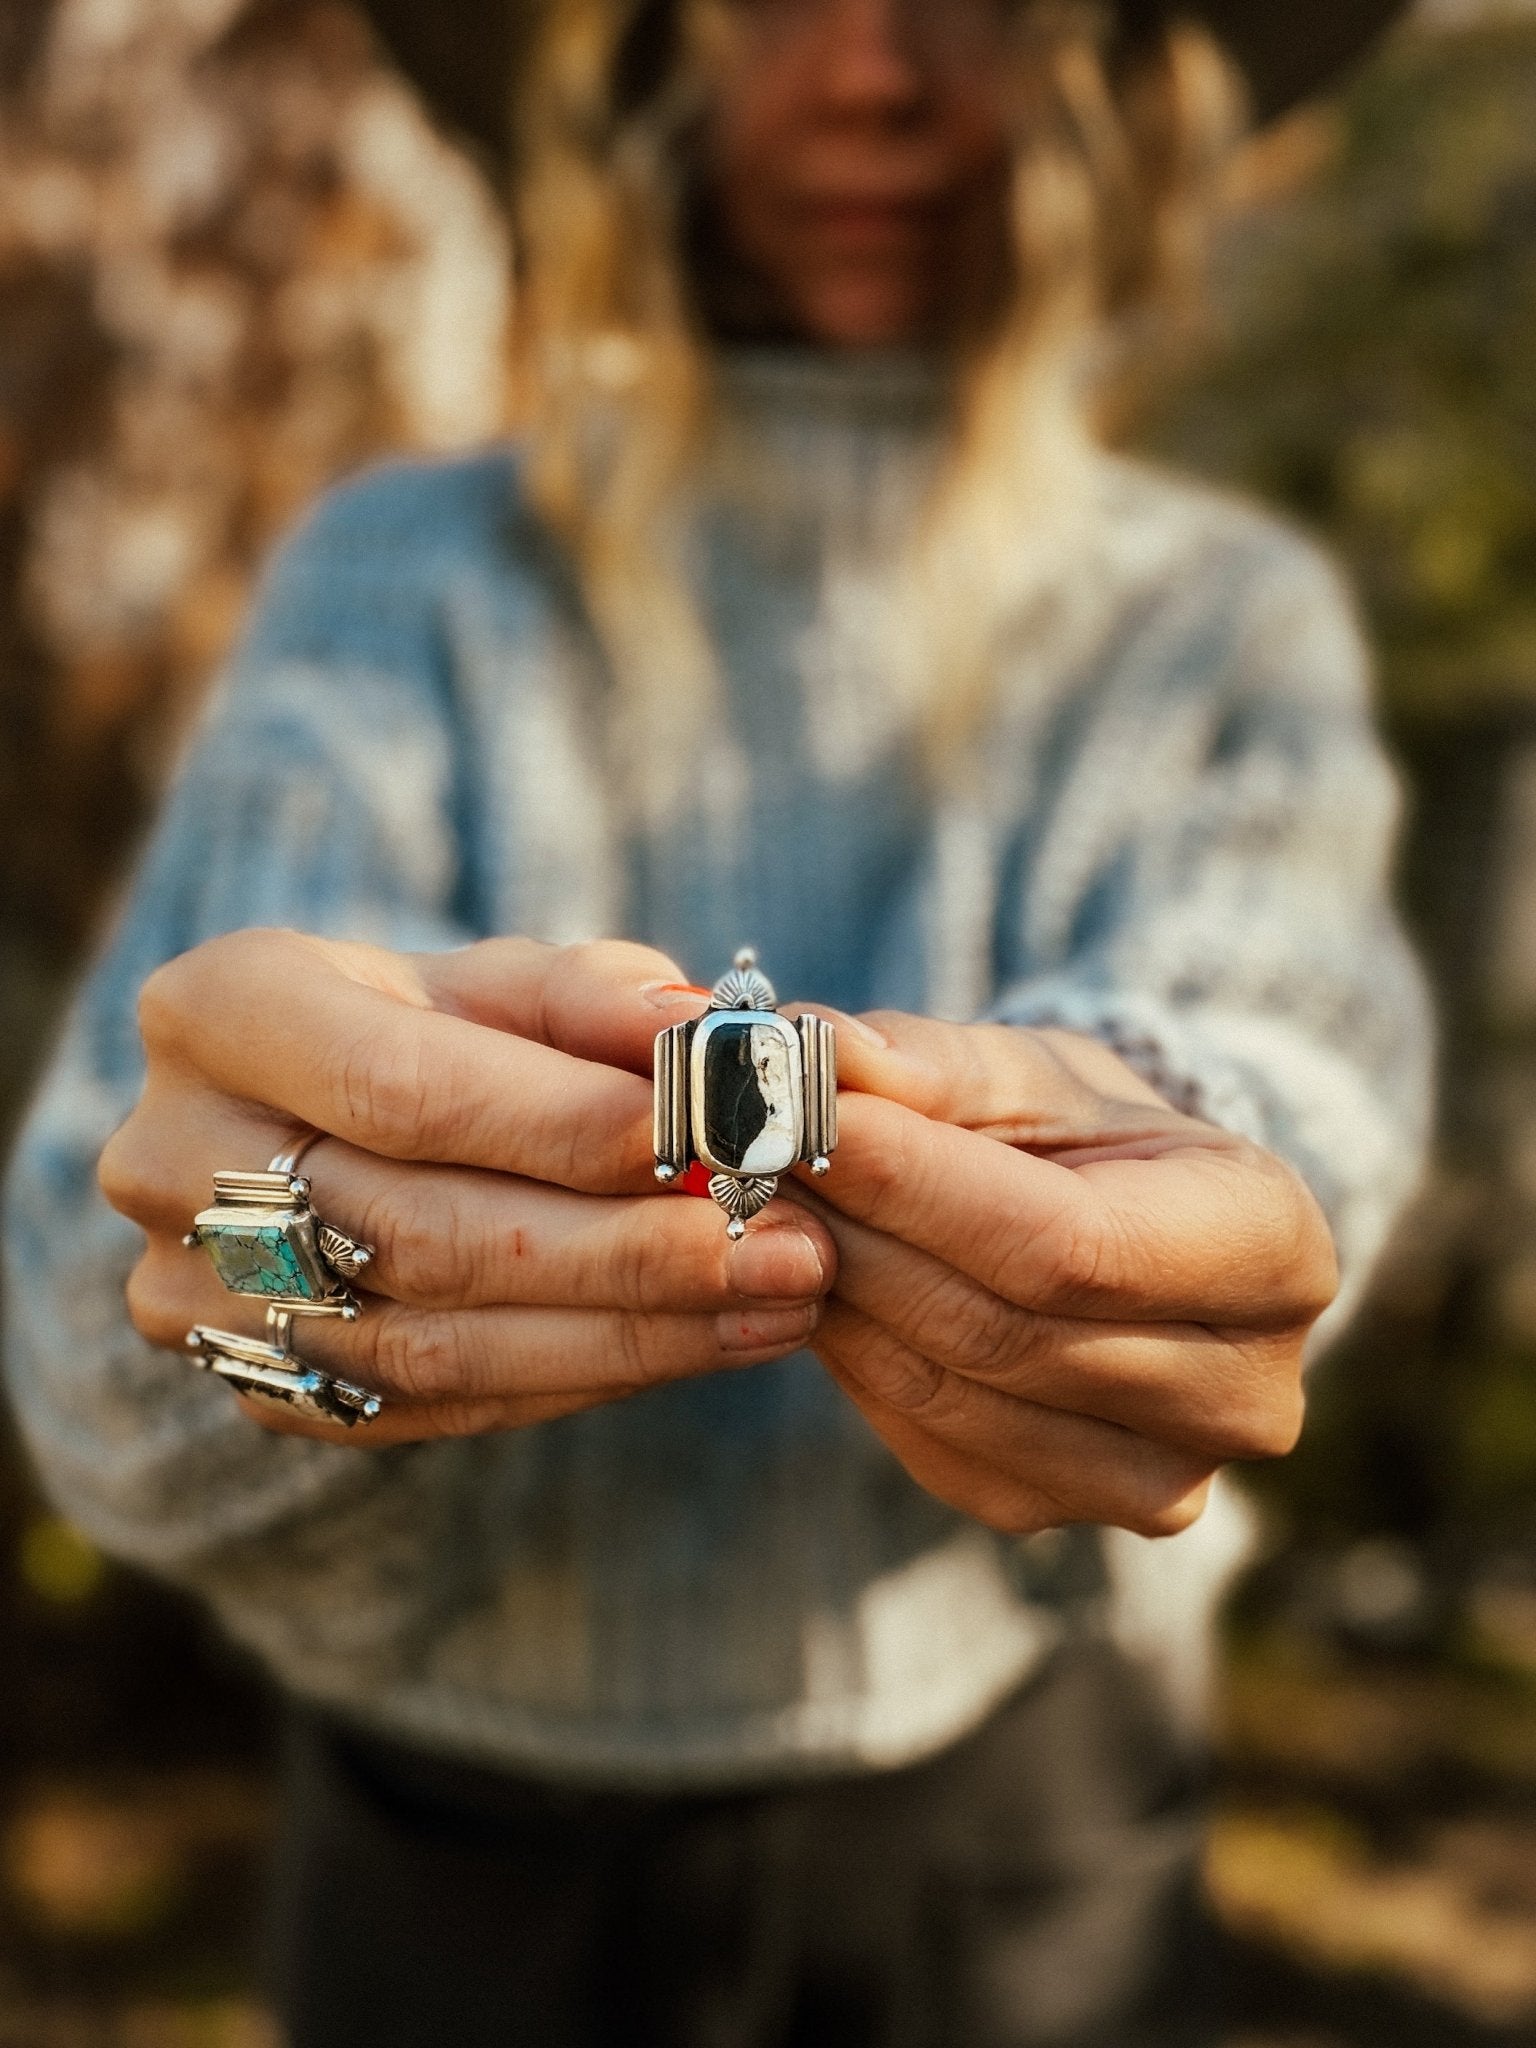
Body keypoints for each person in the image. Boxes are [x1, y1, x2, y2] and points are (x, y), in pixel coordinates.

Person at [4, 0, 1428, 2042]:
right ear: (641, 58)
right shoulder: (400, 585)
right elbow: (111, 1300)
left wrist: (1154, 1131)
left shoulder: (1215, 623)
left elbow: (1285, 1036)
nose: (870, 72)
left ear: (1107, 72)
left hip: (1022, 1808)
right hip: (450, 1851)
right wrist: (273, 1261)